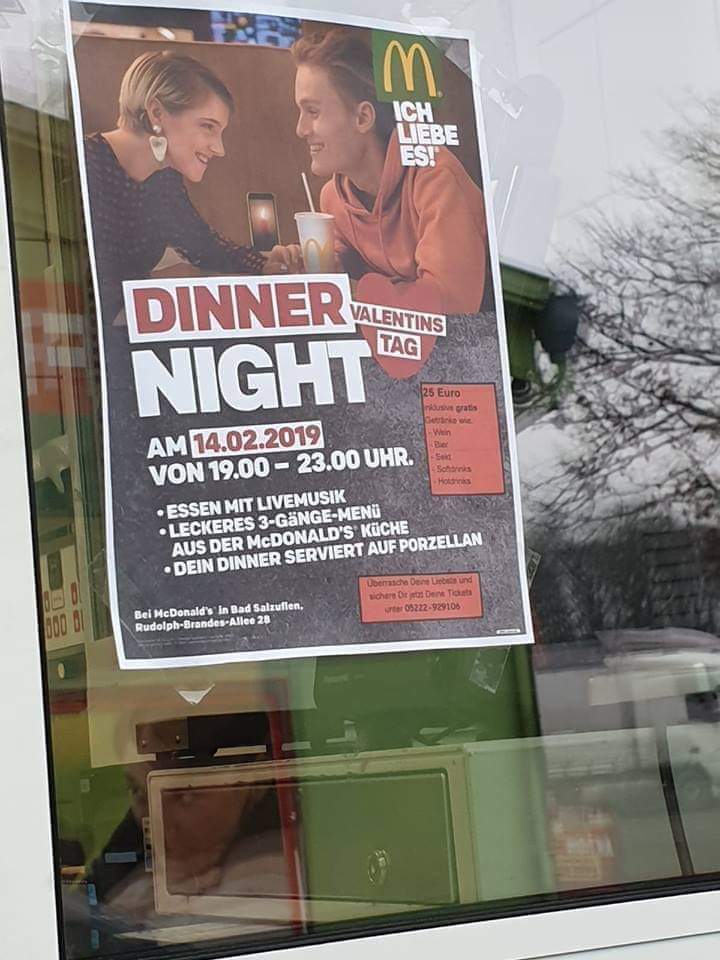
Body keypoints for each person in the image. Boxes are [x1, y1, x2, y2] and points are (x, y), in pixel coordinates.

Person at [84, 50, 300, 320]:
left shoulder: (164, 180)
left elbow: (205, 246)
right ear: (157, 113)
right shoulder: (85, 161)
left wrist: (266, 264)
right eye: (208, 127)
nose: (219, 149)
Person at [292, 29, 488, 316]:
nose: (300, 129)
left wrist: (349, 292)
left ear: (363, 118)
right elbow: (343, 266)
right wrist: (305, 266)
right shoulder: (332, 198)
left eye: (312, 111)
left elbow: (452, 304)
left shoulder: (435, 177)